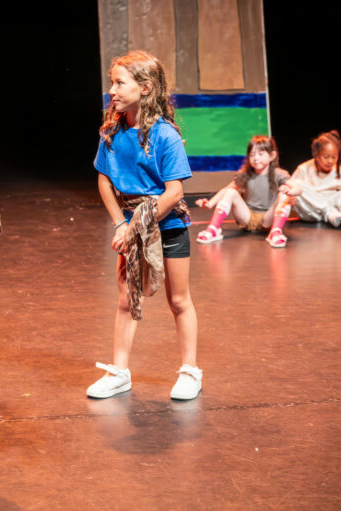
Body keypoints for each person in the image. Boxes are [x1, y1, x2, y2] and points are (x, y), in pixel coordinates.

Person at [88, 50, 202, 401]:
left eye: (120, 83)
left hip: (167, 225)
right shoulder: (112, 132)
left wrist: (136, 224)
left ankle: (190, 371)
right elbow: (104, 180)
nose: (112, 90)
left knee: (178, 299)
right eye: (112, 83)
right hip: (130, 225)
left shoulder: (164, 135)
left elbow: (175, 191)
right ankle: (120, 372)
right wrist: (120, 224)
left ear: (146, 88)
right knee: (127, 298)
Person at [195, 135, 301, 247]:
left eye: (260, 154)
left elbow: (298, 189)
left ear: (272, 156)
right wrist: (210, 203)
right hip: (247, 218)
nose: (256, 158)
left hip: (268, 220)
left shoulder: (279, 174)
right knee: (231, 192)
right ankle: (213, 229)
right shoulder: (245, 174)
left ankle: (275, 232)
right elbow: (227, 189)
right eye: (252, 154)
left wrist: (290, 192)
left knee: (284, 196)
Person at [290, 130, 341, 227]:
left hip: (337, 214)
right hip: (312, 212)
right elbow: (290, 191)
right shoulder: (303, 169)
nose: (330, 161)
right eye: (326, 157)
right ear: (316, 154)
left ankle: (332, 213)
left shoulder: (339, 170)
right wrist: (291, 198)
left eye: (334, 157)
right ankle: (328, 211)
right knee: (296, 184)